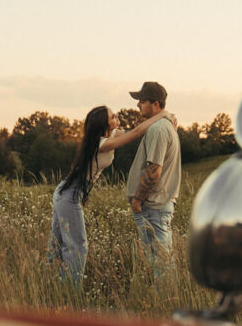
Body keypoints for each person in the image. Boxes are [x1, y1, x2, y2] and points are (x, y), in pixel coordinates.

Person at [48, 104, 175, 285]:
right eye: (113, 116)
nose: (118, 116)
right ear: (105, 124)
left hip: (66, 193)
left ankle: (52, 285)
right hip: (68, 196)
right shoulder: (102, 144)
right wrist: (164, 114)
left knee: (57, 242)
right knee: (78, 246)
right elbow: (138, 131)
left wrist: (166, 121)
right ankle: (69, 290)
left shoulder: (110, 135)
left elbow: (141, 130)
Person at [126, 81, 182, 279]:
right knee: (161, 260)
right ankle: (165, 300)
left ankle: (165, 302)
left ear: (156, 104)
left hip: (152, 205)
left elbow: (154, 171)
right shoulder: (165, 125)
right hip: (157, 204)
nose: (138, 105)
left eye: (142, 101)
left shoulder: (157, 129)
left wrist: (137, 200)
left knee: (160, 262)